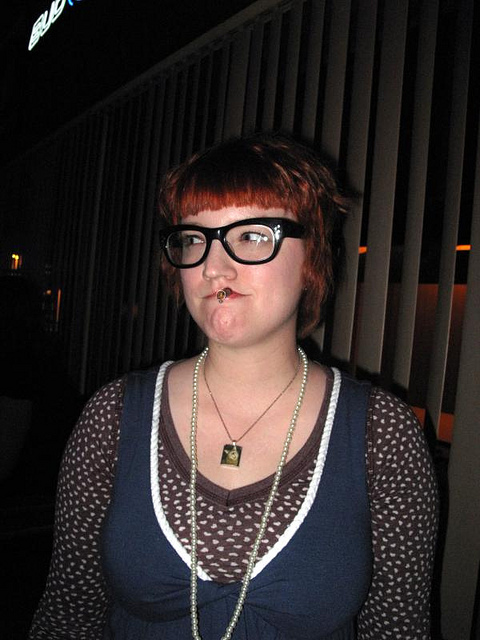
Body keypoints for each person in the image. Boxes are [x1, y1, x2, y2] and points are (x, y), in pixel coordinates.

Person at [29, 133, 438, 639]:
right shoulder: (113, 417)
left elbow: (398, 628)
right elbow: (69, 614)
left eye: (251, 236)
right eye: (194, 238)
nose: (213, 267)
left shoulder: (382, 433)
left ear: (312, 255)